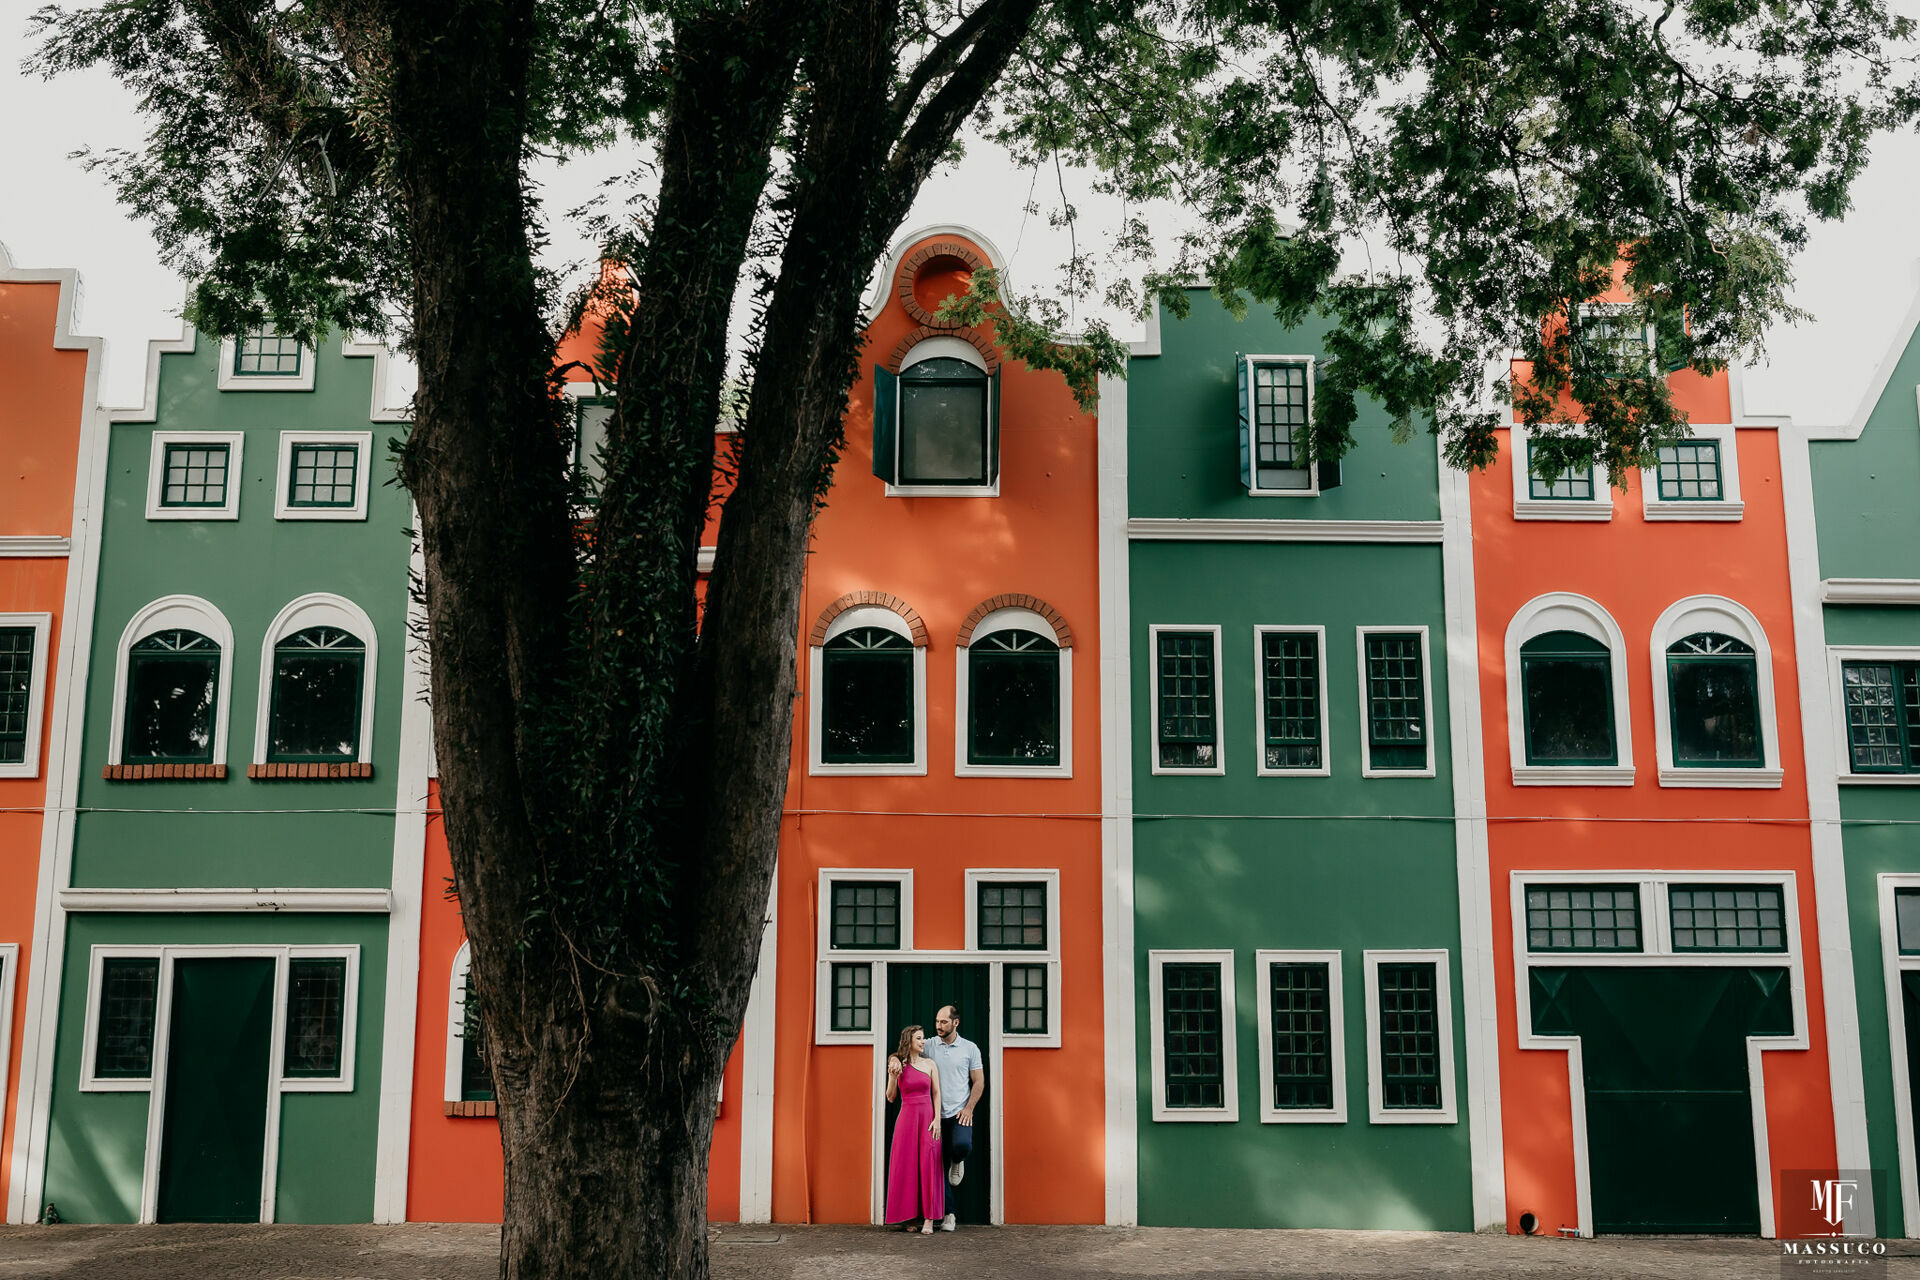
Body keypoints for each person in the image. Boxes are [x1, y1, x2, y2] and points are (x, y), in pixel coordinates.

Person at [925, 1004, 984, 1232]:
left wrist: (969, 1108)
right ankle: (949, 1215)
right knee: (936, 1167)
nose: (938, 1026)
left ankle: (957, 1160)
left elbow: (979, 1081)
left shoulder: (970, 1048)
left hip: (959, 1112)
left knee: (961, 1146)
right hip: (934, 1116)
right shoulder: (929, 1045)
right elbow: (905, 1049)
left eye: (944, 1022)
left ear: (955, 1023)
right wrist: (894, 1060)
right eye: (937, 1021)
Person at [883, 1024, 945, 1234]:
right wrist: (893, 1076)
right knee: (907, 1166)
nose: (923, 1041)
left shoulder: (930, 1064)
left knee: (929, 1165)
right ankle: (909, 1217)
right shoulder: (898, 1063)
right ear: (908, 1041)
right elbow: (890, 1096)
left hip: (928, 1119)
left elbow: (936, 1093)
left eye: (923, 1038)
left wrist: (937, 1119)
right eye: (919, 1038)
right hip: (906, 1119)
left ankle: (929, 1218)